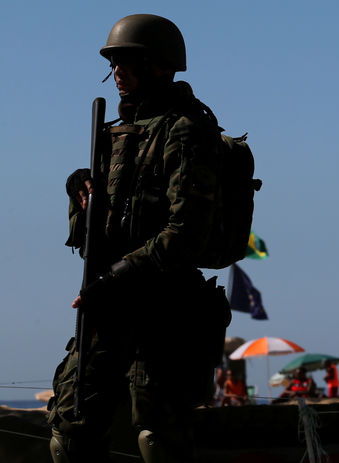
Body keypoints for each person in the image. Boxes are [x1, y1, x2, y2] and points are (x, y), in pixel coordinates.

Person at [47, 14, 232, 462]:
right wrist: (79, 191)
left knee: (158, 440)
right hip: (110, 305)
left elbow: (185, 233)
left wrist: (118, 276)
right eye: (114, 62)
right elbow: (88, 234)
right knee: (70, 433)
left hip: (165, 305)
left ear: (161, 65)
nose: (118, 72)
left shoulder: (186, 129)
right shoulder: (115, 134)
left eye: (129, 61)